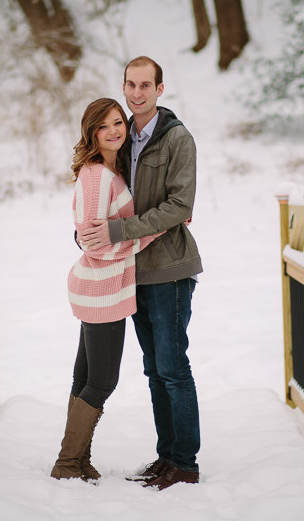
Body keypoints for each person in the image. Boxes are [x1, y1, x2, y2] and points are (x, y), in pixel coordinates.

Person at [81, 56, 203, 490]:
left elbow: (179, 206)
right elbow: (103, 197)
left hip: (169, 267)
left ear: (160, 88)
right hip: (133, 269)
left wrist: (114, 231)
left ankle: (185, 464)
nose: (137, 93)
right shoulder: (122, 138)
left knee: (173, 367)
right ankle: (166, 456)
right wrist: (86, 233)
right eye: (130, 84)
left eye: (145, 85)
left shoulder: (177, 139)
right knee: (154, 370)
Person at [51, 97, 162, 481]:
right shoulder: (98, 175)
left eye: (118, 122)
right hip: (101, 290)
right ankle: (67, 463)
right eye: (103, 126)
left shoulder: (110, 173)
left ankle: (76, 460)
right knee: (102, 381)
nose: (114, 130)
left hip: (100, 289)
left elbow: (94, 235)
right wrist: (155, 230)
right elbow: (94, 241)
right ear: (92, 134)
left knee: (84, 378)